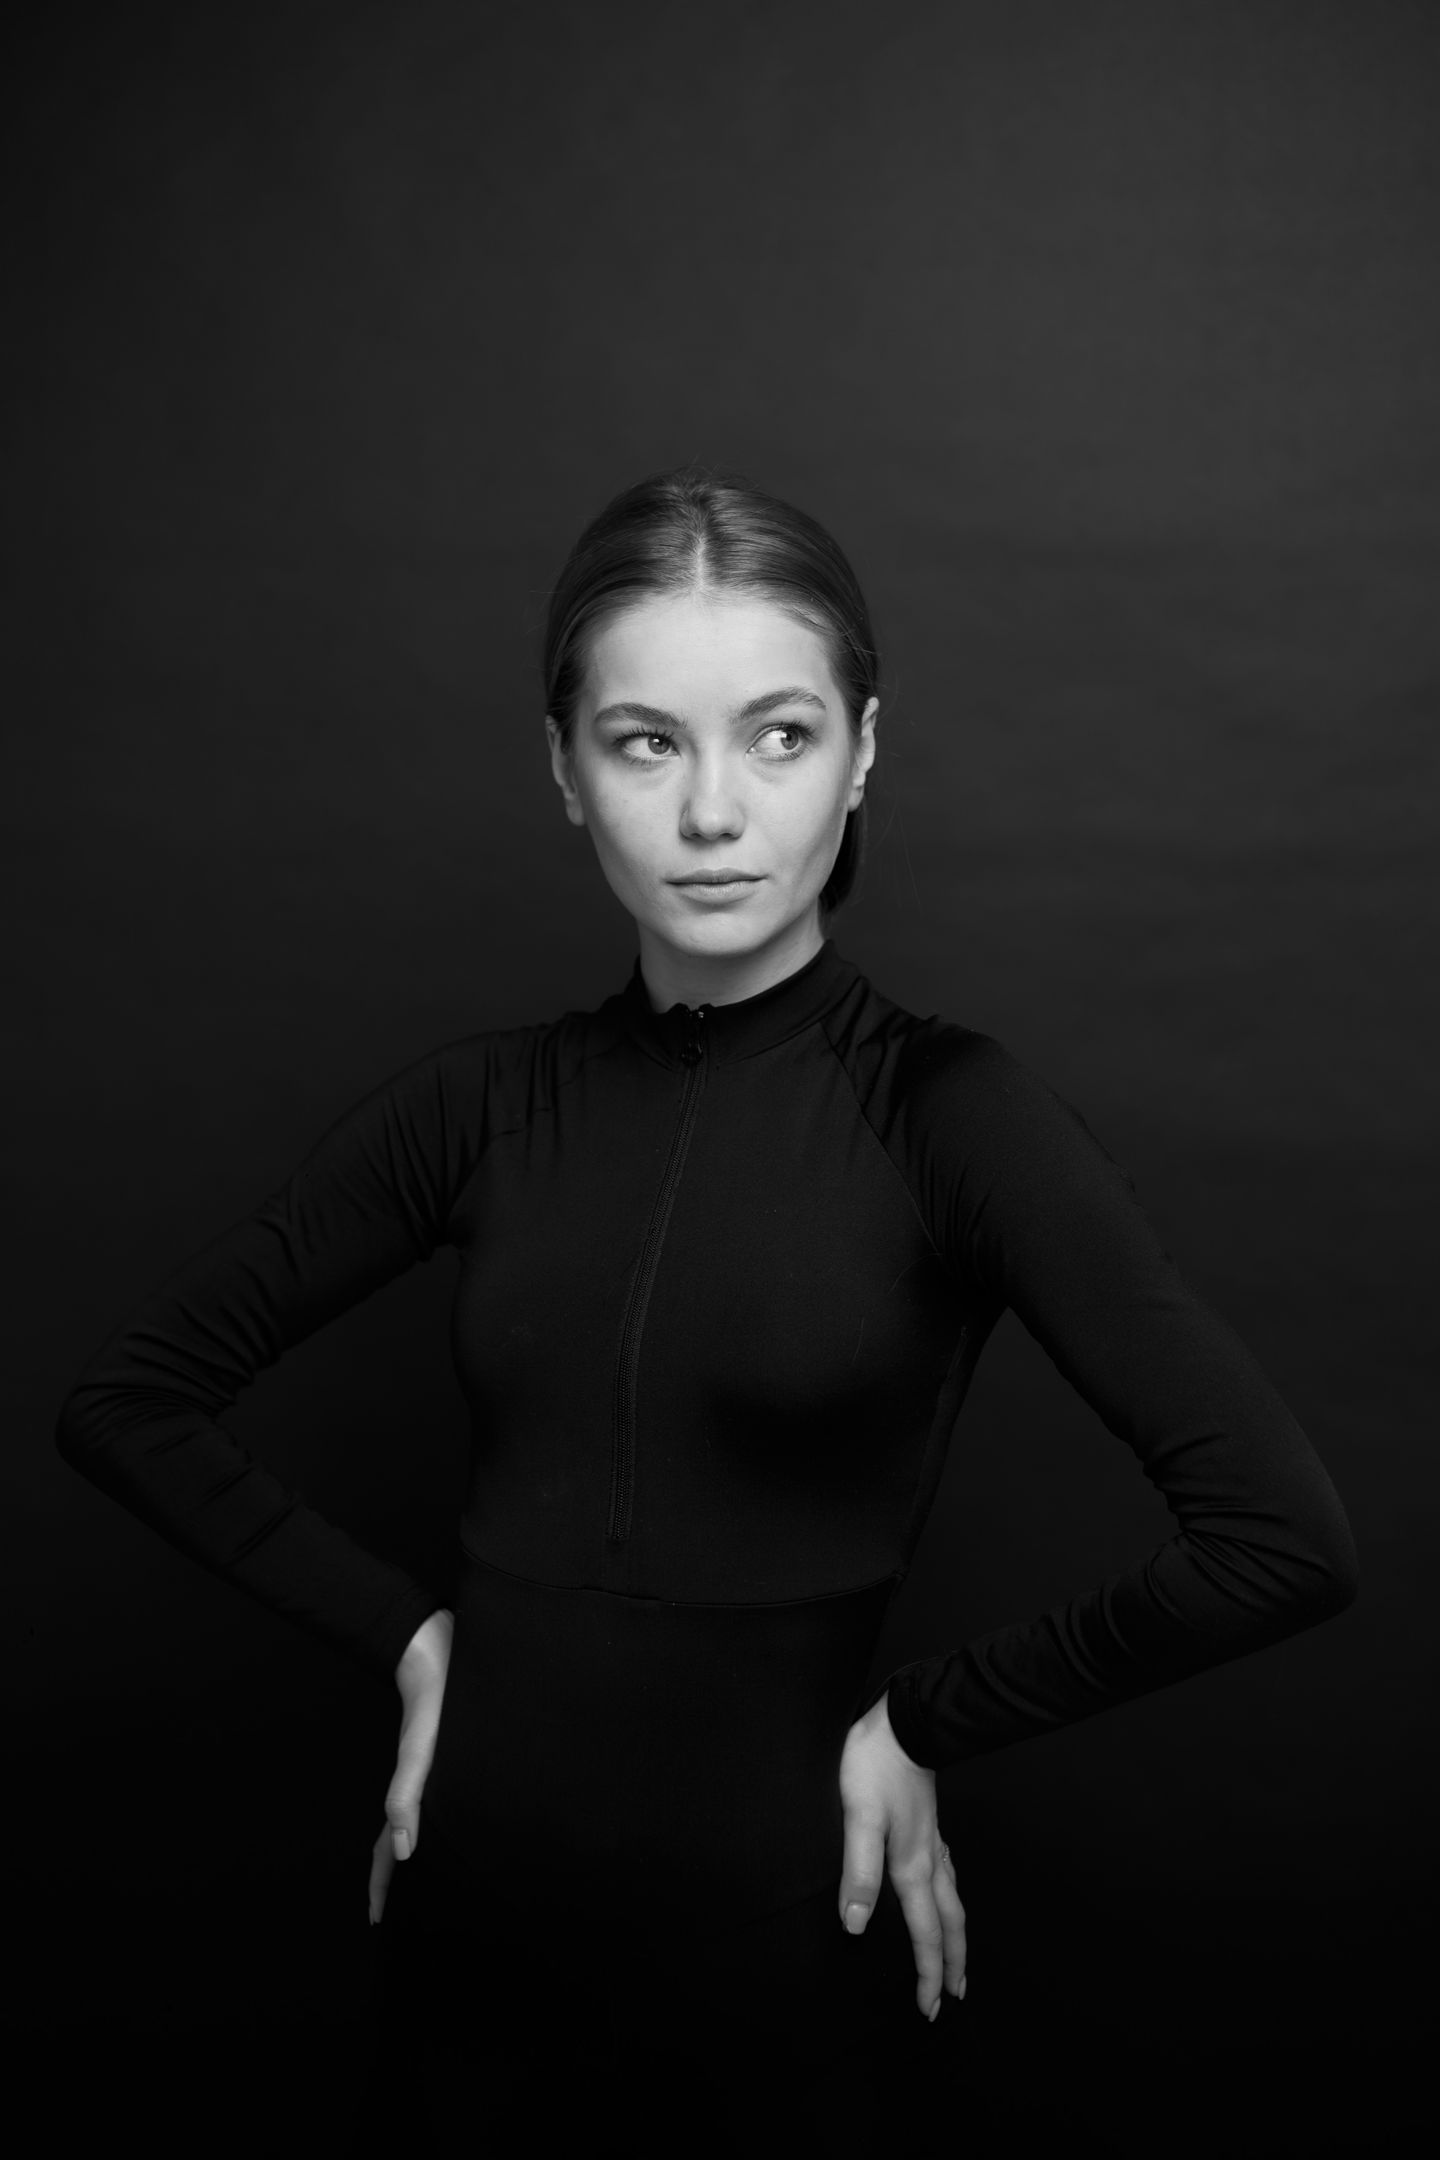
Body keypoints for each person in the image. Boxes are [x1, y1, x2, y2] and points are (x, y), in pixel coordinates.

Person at [54, 462, 1359, 2154]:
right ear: (564, 768)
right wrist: (415, 1640)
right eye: (646, 742)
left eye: (780, 736)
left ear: (865, 749)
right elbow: (127, 1402)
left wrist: (925, 1718)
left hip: (786, 1975)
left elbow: (1280, 1538)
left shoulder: (949, 1115)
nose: (715, 813)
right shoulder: (478, 1107)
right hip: (468, 1960)